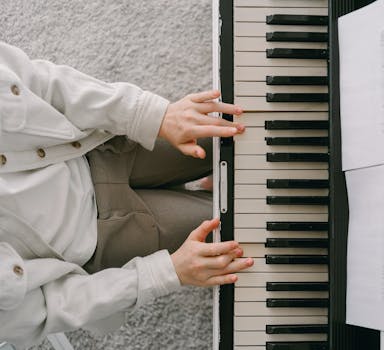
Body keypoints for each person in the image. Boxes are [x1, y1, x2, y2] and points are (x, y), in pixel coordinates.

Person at [0, 41, 253, 348]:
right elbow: (50, 308)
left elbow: (41, 83)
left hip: (95, 149)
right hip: (105, 236)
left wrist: (155, 115)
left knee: (244, 128)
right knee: (250, 231)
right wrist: (166, 273)